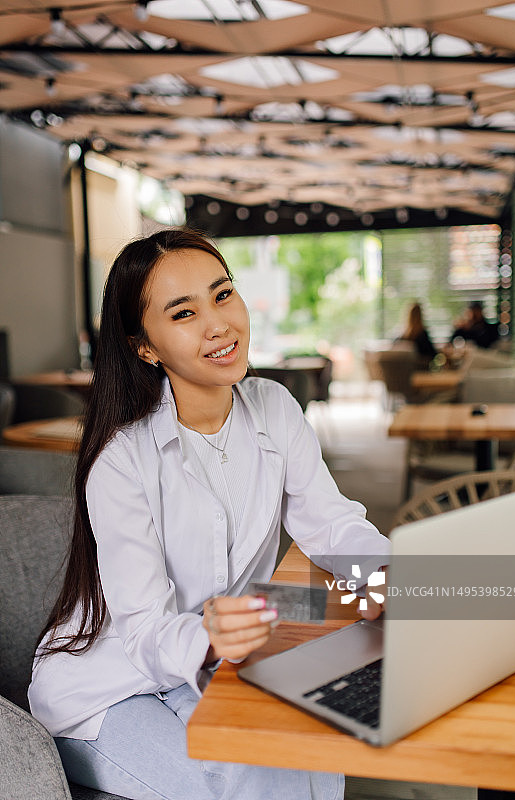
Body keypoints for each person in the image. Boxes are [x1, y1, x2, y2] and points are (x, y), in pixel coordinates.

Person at [28, 228, 390, 800]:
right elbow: (145, 629)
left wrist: (385, 577)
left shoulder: (275, 407)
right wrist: (213, 639)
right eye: (184, 313)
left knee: (313, 764)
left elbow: (333, 523)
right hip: (114, 682)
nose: (218, 324)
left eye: (223, 295)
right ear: (145, 346)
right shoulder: (121, 460)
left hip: (219, 658)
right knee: (235, 783)